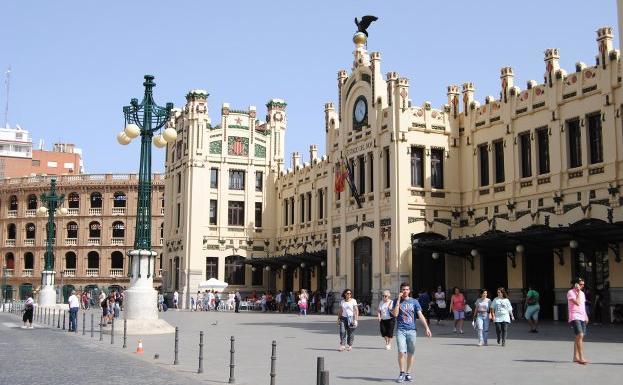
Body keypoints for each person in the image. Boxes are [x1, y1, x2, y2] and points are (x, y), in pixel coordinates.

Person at [392, 282, 431, 383]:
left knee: (411, 352)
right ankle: (401, 373)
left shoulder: (414, 302)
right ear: (400, 291)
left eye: (407, 289)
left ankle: (408, 373)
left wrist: (426, 327)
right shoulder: (396, 300)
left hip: (412, 330)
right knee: (401, 351)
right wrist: (399, 300)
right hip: (401, 330)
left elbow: (420, 315)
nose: (405, 291)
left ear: (409, 291)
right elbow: (395, 314)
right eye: (403, 289)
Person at [567, 278, 589, 364]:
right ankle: (581, 357)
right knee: (580, 334)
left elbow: (582, 306)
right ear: (576, 284)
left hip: (582, 316)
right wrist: (578, 291)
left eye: (583, 284)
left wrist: (586, 316)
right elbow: (577, 303)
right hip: (574, 316)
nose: (582, 286)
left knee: (579, 337)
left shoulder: (582, 293)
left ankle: (575, 357)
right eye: (581, 284)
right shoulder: (570, 292)